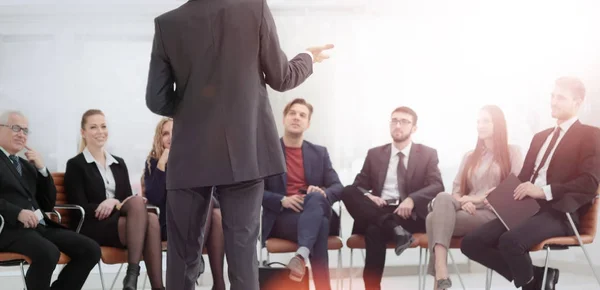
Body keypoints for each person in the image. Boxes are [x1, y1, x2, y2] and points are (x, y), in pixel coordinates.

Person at [145, 0, 333, 288]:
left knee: (182, 254)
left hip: (190, 155)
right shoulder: (253, 8)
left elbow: (157, 99)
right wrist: (307, 56)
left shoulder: (167, 23)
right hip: (245, 153)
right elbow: (281, 77)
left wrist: (192, 112)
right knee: (243, 255)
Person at [461, 77, 600, 290]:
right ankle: (538, 278)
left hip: (558, 212)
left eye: (560, 97)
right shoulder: (540, 137)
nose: (553, 101)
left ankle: (533, 283)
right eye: (552, 96)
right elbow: (524, 178)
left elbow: (589, 183)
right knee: (471, 243)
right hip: (524, 209)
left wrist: (543, 192)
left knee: (510, 241)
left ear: (577, 101)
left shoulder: (590, 135)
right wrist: (501, 197)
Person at [342, 106, 444, 290]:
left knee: (374, 230)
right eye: (394, 120)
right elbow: (358, 186)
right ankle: (393, 228)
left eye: (404, 121)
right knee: (347, 191)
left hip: (409, 215)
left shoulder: (428, 154)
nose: (398, 125)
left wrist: (412, 199)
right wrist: (369, 196)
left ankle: (372, 286)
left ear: (414, 128)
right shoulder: (375, 154)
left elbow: (437, 185)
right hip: (378, 208)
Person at [64, 109, 165, 290]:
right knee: (148, 219)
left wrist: (113, 203)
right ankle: (141, 279)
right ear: (83, 132)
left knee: (146, 214)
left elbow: (126, 200)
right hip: (91, 225)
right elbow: (79, 207)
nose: (100, 131)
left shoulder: (118, 163)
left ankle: (135, 279)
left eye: (103, 126)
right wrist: (109, 205)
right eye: (93, 127)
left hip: (121, 222)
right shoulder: (76, 165)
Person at [0, 110, 101, 290]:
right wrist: (17, 213)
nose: (21, 134)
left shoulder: (25, 165)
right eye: (16, 128)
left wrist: (42, 169)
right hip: (8, 228)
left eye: (25, 130)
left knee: (90, 249)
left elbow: (47, 204)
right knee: (48, 252)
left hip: (39, 227)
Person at [425, 105, 523, 290]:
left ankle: (439, 278)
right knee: (442, 197)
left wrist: (475, 200)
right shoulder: (470, 156)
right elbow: (456, 191)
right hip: (466, 211)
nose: (480, 125)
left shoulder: (513, 152)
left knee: (432, 218)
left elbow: (515, 189)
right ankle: (441, 272)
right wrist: (463, 204)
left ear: (498, 124)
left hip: (493, 214)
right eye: (478, 121)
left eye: (486, 121)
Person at [262, 98, 343, 289]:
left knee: (315, 196)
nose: (297, 118)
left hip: (313, 208)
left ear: (308, 123)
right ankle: (306, 261)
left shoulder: (319, 153)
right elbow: (255, 191)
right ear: (284, 119)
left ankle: (300, 256)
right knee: (320, 225)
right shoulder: (268, 152)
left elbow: (338, 187)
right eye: (292, 113)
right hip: (284, 218)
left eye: (302, 115)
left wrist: (321, 191)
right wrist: (281, 200)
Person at [142, 117, 226, 290]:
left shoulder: (195, 161)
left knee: (215, 213)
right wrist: (162, 164)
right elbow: (155, 197)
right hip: (169, 223)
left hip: (198, 223)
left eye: (175, 132)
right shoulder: (153, 162)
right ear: (159, 137)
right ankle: (195, 258)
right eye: (166, 133)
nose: (170, 137)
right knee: (207, 213)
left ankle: (219, 284)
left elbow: (215, 197)